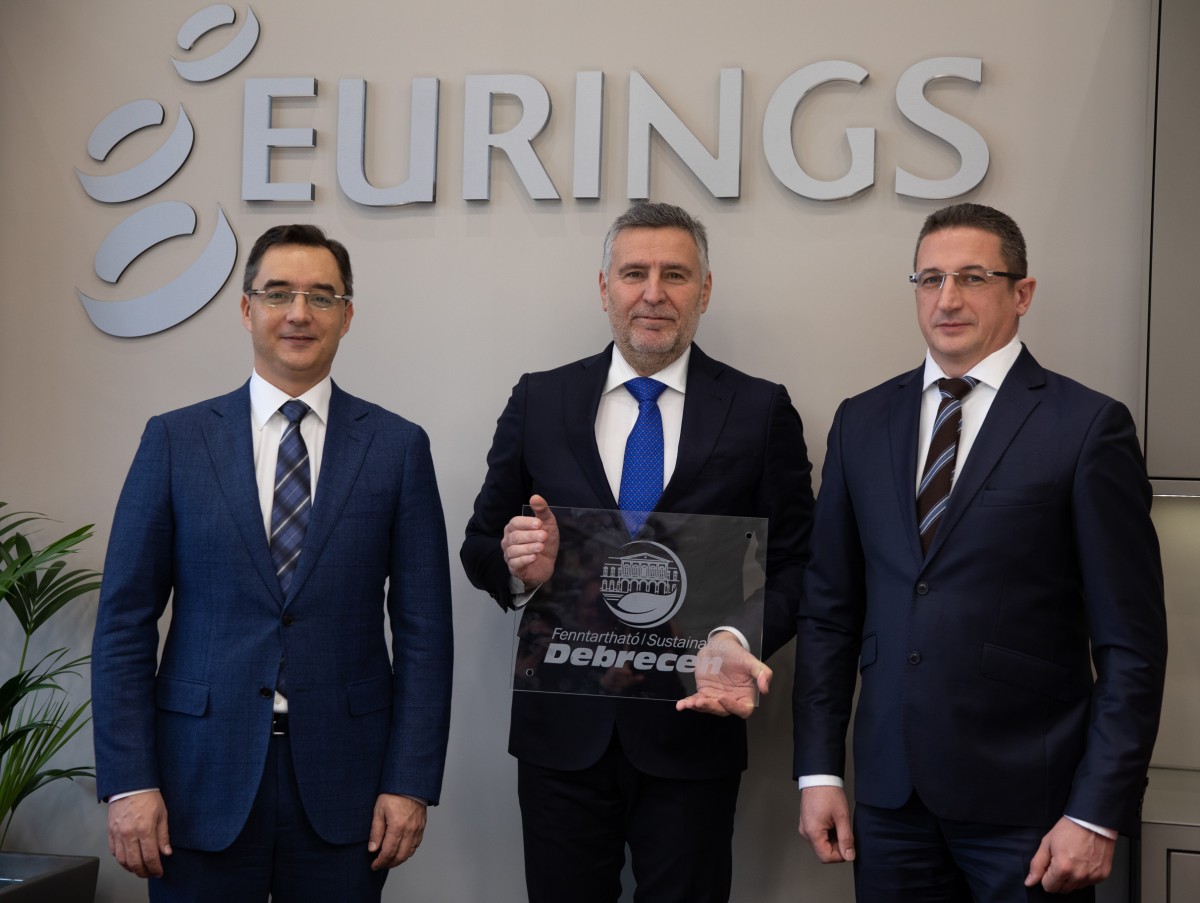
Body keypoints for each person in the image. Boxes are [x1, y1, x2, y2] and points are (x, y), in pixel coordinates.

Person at [793, 203, 1167, 901]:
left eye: (972, 277)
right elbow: (828, 613)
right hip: (890, 800)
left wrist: (1097, 810)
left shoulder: (1088, 427)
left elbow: (1132, 644)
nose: (947, 299)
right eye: (930, 278)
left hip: (1032, 808)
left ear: (1022, 293)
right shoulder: (861, 421)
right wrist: (819, 770)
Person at [461, 201, 814, 902]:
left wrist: (738, 636)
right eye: (634, 273)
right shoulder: (540, 399)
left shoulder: (760, 409)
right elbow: (480, 544)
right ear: (605, 288)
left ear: (704, 291)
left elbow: (802, 565)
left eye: (675, 275)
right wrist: (521, 569)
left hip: (693, 727)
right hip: (563, 735)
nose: (653, 293)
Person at [91, 224, 454, 902]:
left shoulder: (398, 448)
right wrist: (130, 780)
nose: (298, 312)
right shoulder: (175, 440)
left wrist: (409, 782)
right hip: (196, 779)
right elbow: (123, 622)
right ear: (246, 308)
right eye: (278, 293)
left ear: (347, 315)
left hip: (346, 781)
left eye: (321, 296)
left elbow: (425, 632)